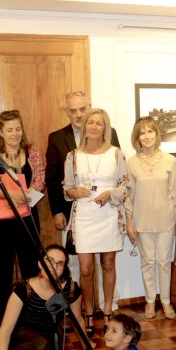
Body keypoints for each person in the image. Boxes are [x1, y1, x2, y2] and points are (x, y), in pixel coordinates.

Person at [64, 108, 128, 335]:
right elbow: (66, 188)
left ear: (105, 128)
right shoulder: (73, 156)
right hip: (84, 216)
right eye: (90, 122)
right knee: (85, 269)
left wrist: (110, 194)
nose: (93, 126)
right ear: (84, 126)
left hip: (108, 213)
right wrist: (74, 192)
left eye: (99, 123)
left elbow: (126, 185)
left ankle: (108, 311)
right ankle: (88, 313)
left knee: (108, 264)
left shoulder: (116, 154)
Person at [0, 109, 45, 331]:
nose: (15, 134)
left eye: (18, 129)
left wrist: (24, 197)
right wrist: (11, 195)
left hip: (27, 216)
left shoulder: (32, 152)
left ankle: (34, 316)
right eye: (10, 130)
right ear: (0, 132)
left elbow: (40, 180)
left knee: (31, 267)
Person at [125, 117, 176, 320]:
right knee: (147, 262)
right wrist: (129, 223)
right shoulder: (132, 163)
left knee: (164, 262)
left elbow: (175, 192)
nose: (147, 136)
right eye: (142, 133)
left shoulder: (169, 160)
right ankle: (150, 301)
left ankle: (165, 301)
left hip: (166, 219)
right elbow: (129, 196)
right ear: (137, 138)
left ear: (157, 134)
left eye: (150, 131)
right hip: (142, 221)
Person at [45, 90, 119, 236]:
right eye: (73, 111)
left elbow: (119, 174)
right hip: (73, 211)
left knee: (108, 251)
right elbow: (52, 179)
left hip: (107, 210)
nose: (78, 115)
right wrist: (57, 211)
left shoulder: (110, 133)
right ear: (67, 112)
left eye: (82, 109)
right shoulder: (56, 139)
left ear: (89, 107)